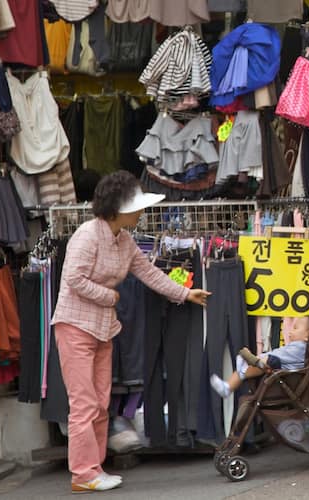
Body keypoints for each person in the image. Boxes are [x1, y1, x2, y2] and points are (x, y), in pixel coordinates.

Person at [51, 171, 212, 493]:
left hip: (104, 329)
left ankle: (93, 468)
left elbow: (148, 272)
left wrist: (183, 293)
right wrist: (109, 296)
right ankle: (83, 474)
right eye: (136, 207)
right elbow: (73, 280)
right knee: (84, 404)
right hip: (76, 326)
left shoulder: (123, 240)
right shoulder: (87, 235)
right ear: (119, 209)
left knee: (100, 402)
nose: (141, 213)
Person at [209, 316, 309, 398]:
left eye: (295, 328)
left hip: (284, 375)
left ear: (308, 336)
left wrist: (262, 358)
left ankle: (247, 368)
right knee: (256, 364)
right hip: (281, 370)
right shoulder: (300, 348)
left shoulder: (300, 348)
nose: (290, 331)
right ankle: (228, 385)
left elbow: (280, 357)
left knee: (269, 361)